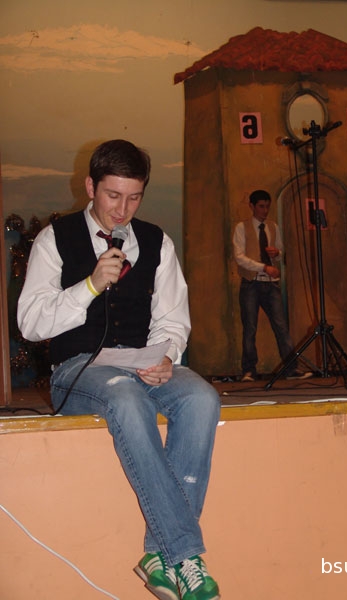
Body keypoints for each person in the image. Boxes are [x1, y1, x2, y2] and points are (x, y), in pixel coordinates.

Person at [17, 139, 221, 600]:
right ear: (91, 187)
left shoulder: (156, 241)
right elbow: (30, 324)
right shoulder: (55, 239)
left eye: (134, 198)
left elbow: (173, 318)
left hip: (142, 361)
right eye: (112, 196)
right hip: (78, 370)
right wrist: (89, 286)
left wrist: (166, 356)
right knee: (127, 398)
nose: (122, 210)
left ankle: (159, 555)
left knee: (200, 397)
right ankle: (184, 555)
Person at [233, 189, 312, 382]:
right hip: (251, 284)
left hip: (271, 285)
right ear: (252, 206)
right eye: (261, 206)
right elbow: (239, 257)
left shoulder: (273, 227)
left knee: (281, 327)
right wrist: (263, 267)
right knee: (250, 328)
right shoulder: (242, 228)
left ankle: (291, 368)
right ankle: (249, 370)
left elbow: (281, 253)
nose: (265, 210)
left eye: (267, 206)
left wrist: (277, 253)